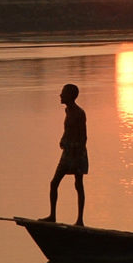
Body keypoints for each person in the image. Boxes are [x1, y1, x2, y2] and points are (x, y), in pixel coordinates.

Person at [40, 83, 88, 226]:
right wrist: (63, 140)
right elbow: (68, 131)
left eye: (63, 93)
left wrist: (76, 151)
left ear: (70, 96)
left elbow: (83, 137)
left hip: (77, 154)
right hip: (67, 152)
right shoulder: (67, 111)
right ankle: (52, 215)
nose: (60, 95)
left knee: (78, 184)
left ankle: (80, 220)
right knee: (54, 183)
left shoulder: (79, 113)